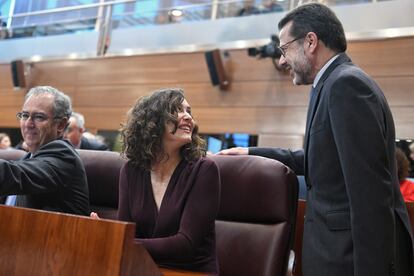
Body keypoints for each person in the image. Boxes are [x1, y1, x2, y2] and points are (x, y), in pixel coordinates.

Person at [219, 3, 414, 275]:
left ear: (311, 41)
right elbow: (322, 161)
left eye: (284, 49)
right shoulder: (330, 83)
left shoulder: (346, 85)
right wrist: (251, 152)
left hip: (349, 260)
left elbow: (370, 193)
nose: (282, 61)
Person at [92, 88, 220, 273]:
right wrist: (114, 236)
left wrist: (117, 239)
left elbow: (186, 244)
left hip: (190, 271)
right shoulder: (131, 171)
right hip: (144, 269)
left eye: (189, 112)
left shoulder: (204, 170)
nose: (188, 117)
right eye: (177, 110)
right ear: (152, 121)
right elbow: (128, 231)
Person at [0, 86, 89, 215]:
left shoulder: (64, 157)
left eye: (39, 117)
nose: (28, 124)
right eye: (25, 115)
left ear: (61, 125)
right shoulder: (28, 159)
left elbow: (14, 175)